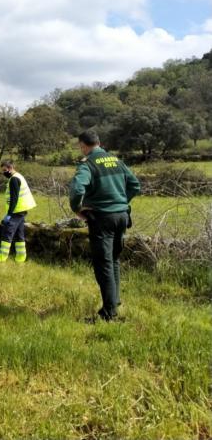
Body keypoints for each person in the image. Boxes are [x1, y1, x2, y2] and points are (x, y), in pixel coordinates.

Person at [69, 130, 141, 321]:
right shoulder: (116, 161)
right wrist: (121, 201)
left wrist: (77, 209)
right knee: (114, 259)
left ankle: (109, 314)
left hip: (103, 219)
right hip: (122, 216)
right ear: (99, 143)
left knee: (104, 264)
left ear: (83, 145)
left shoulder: (88, 163)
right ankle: (114, 301)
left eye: (80, 147)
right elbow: (135, 185)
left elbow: (77, 189)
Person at [0, 160, 37, 263]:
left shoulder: (14, 179)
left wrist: (9, 214)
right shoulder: (18, 176)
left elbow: (14, 199)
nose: (3, 172)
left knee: (7, 233)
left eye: (5, 170)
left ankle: (2, 257)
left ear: (10, 168)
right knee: (19, 234)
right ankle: (21, 257)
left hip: (17, 211)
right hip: (21, 210)